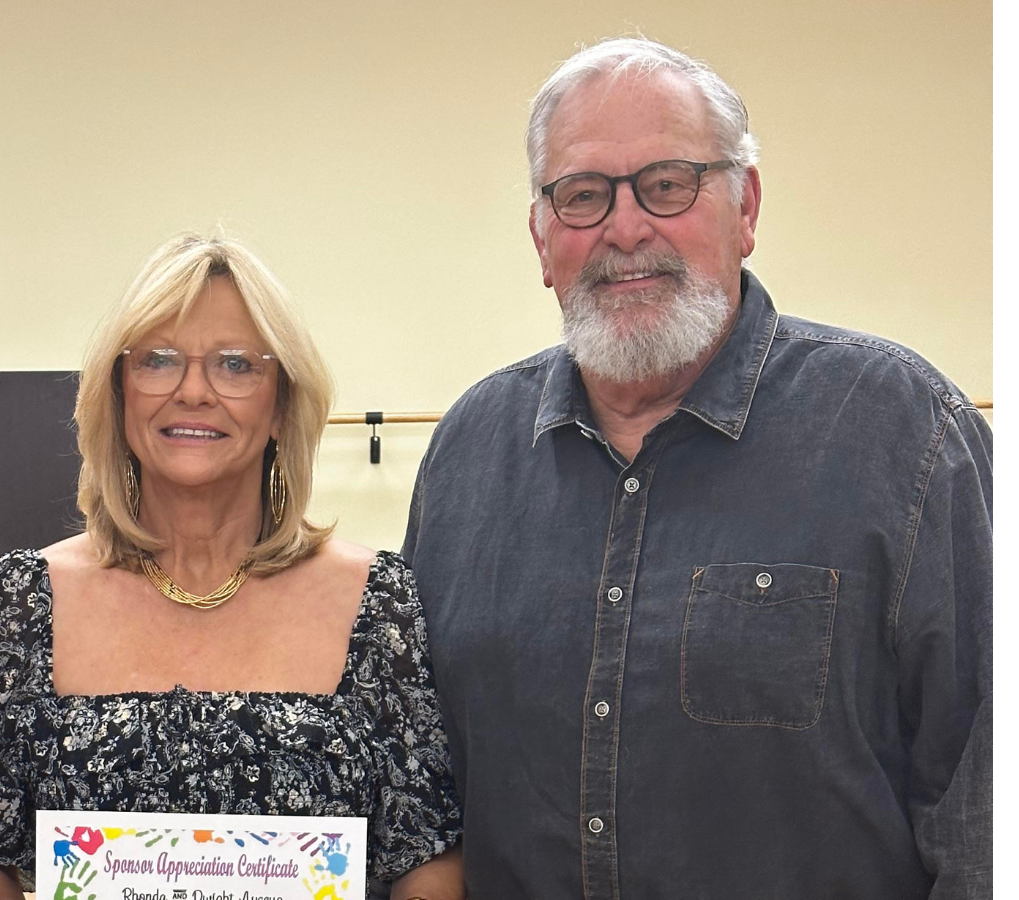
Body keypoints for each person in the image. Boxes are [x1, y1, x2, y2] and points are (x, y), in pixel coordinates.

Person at [403, 36, 991, 899]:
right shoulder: (468, 452)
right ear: (540, 237)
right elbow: (427, 790)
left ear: (745, 206)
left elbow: (982, 810)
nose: (626, 227)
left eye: (668, 184)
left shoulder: (905, 433)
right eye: (582, 196)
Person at [0, 233, 463, 900]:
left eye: (236, 365)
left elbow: (426, 854)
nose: (193, 391)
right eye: (157, 361)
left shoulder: (380, 600)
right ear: (120, 392)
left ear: (280, 405)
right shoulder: (20, 601)